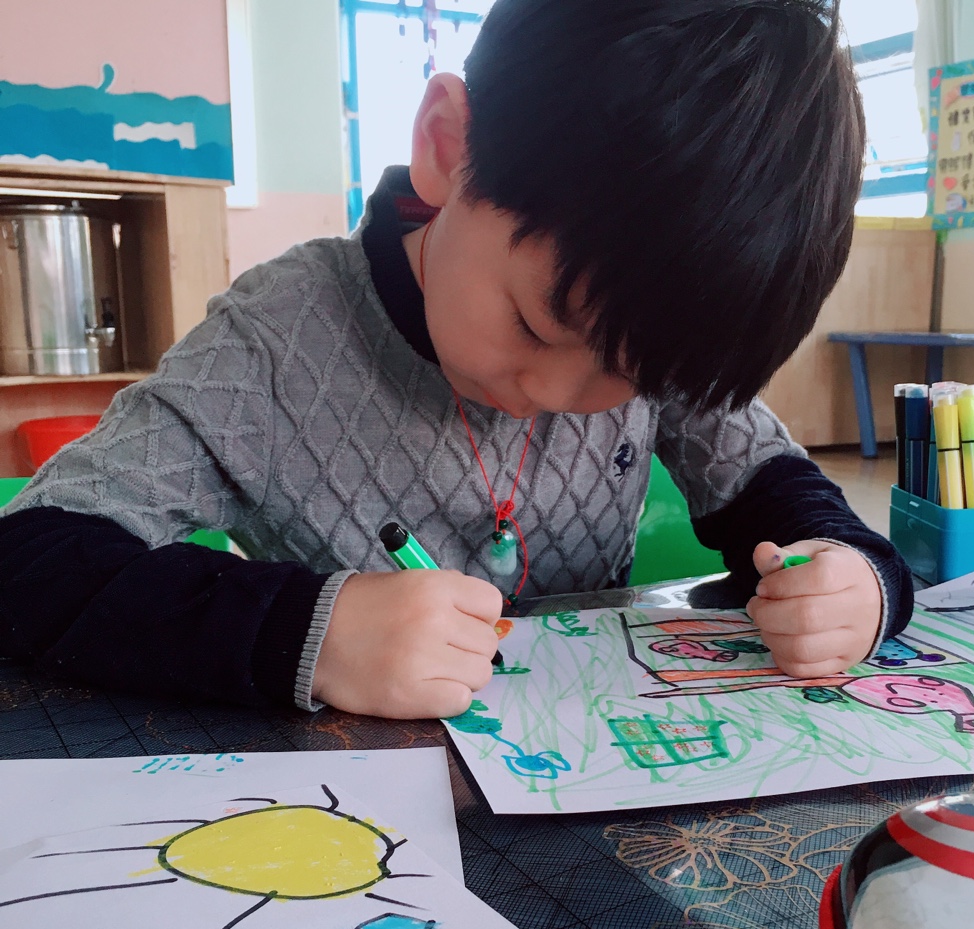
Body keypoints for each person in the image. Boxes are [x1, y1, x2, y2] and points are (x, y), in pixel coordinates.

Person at [0, 0, 913, 720]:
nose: (556, 395)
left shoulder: (653, 318)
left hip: (584, 769)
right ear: (447, 147)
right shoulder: (274, 340)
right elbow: (30, 557)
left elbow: (783, 493)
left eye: (626, 378)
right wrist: (308, 632)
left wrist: (858, 581)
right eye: (535, 326)